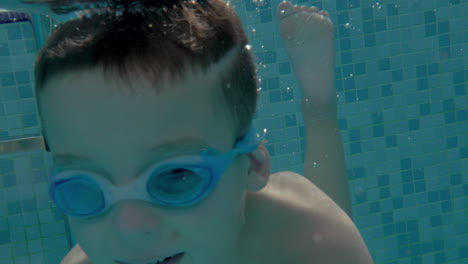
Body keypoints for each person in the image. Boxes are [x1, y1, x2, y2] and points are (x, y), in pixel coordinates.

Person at [2, 0, 374, 263]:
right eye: (84, 187)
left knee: (326, 213)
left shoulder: (312, 241)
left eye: (176, 176)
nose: (129, 227)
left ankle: (319, 103)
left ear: (252, 166)